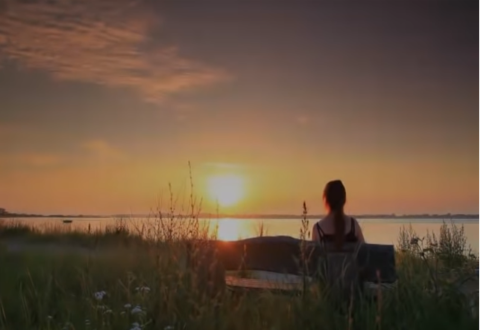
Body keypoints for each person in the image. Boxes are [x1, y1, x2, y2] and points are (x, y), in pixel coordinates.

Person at [312, 179, 365, 250]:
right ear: (344, 200)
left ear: (326, 200)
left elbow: (313, 258)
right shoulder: (353, 226)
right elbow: (365, 253)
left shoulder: (318, 229)